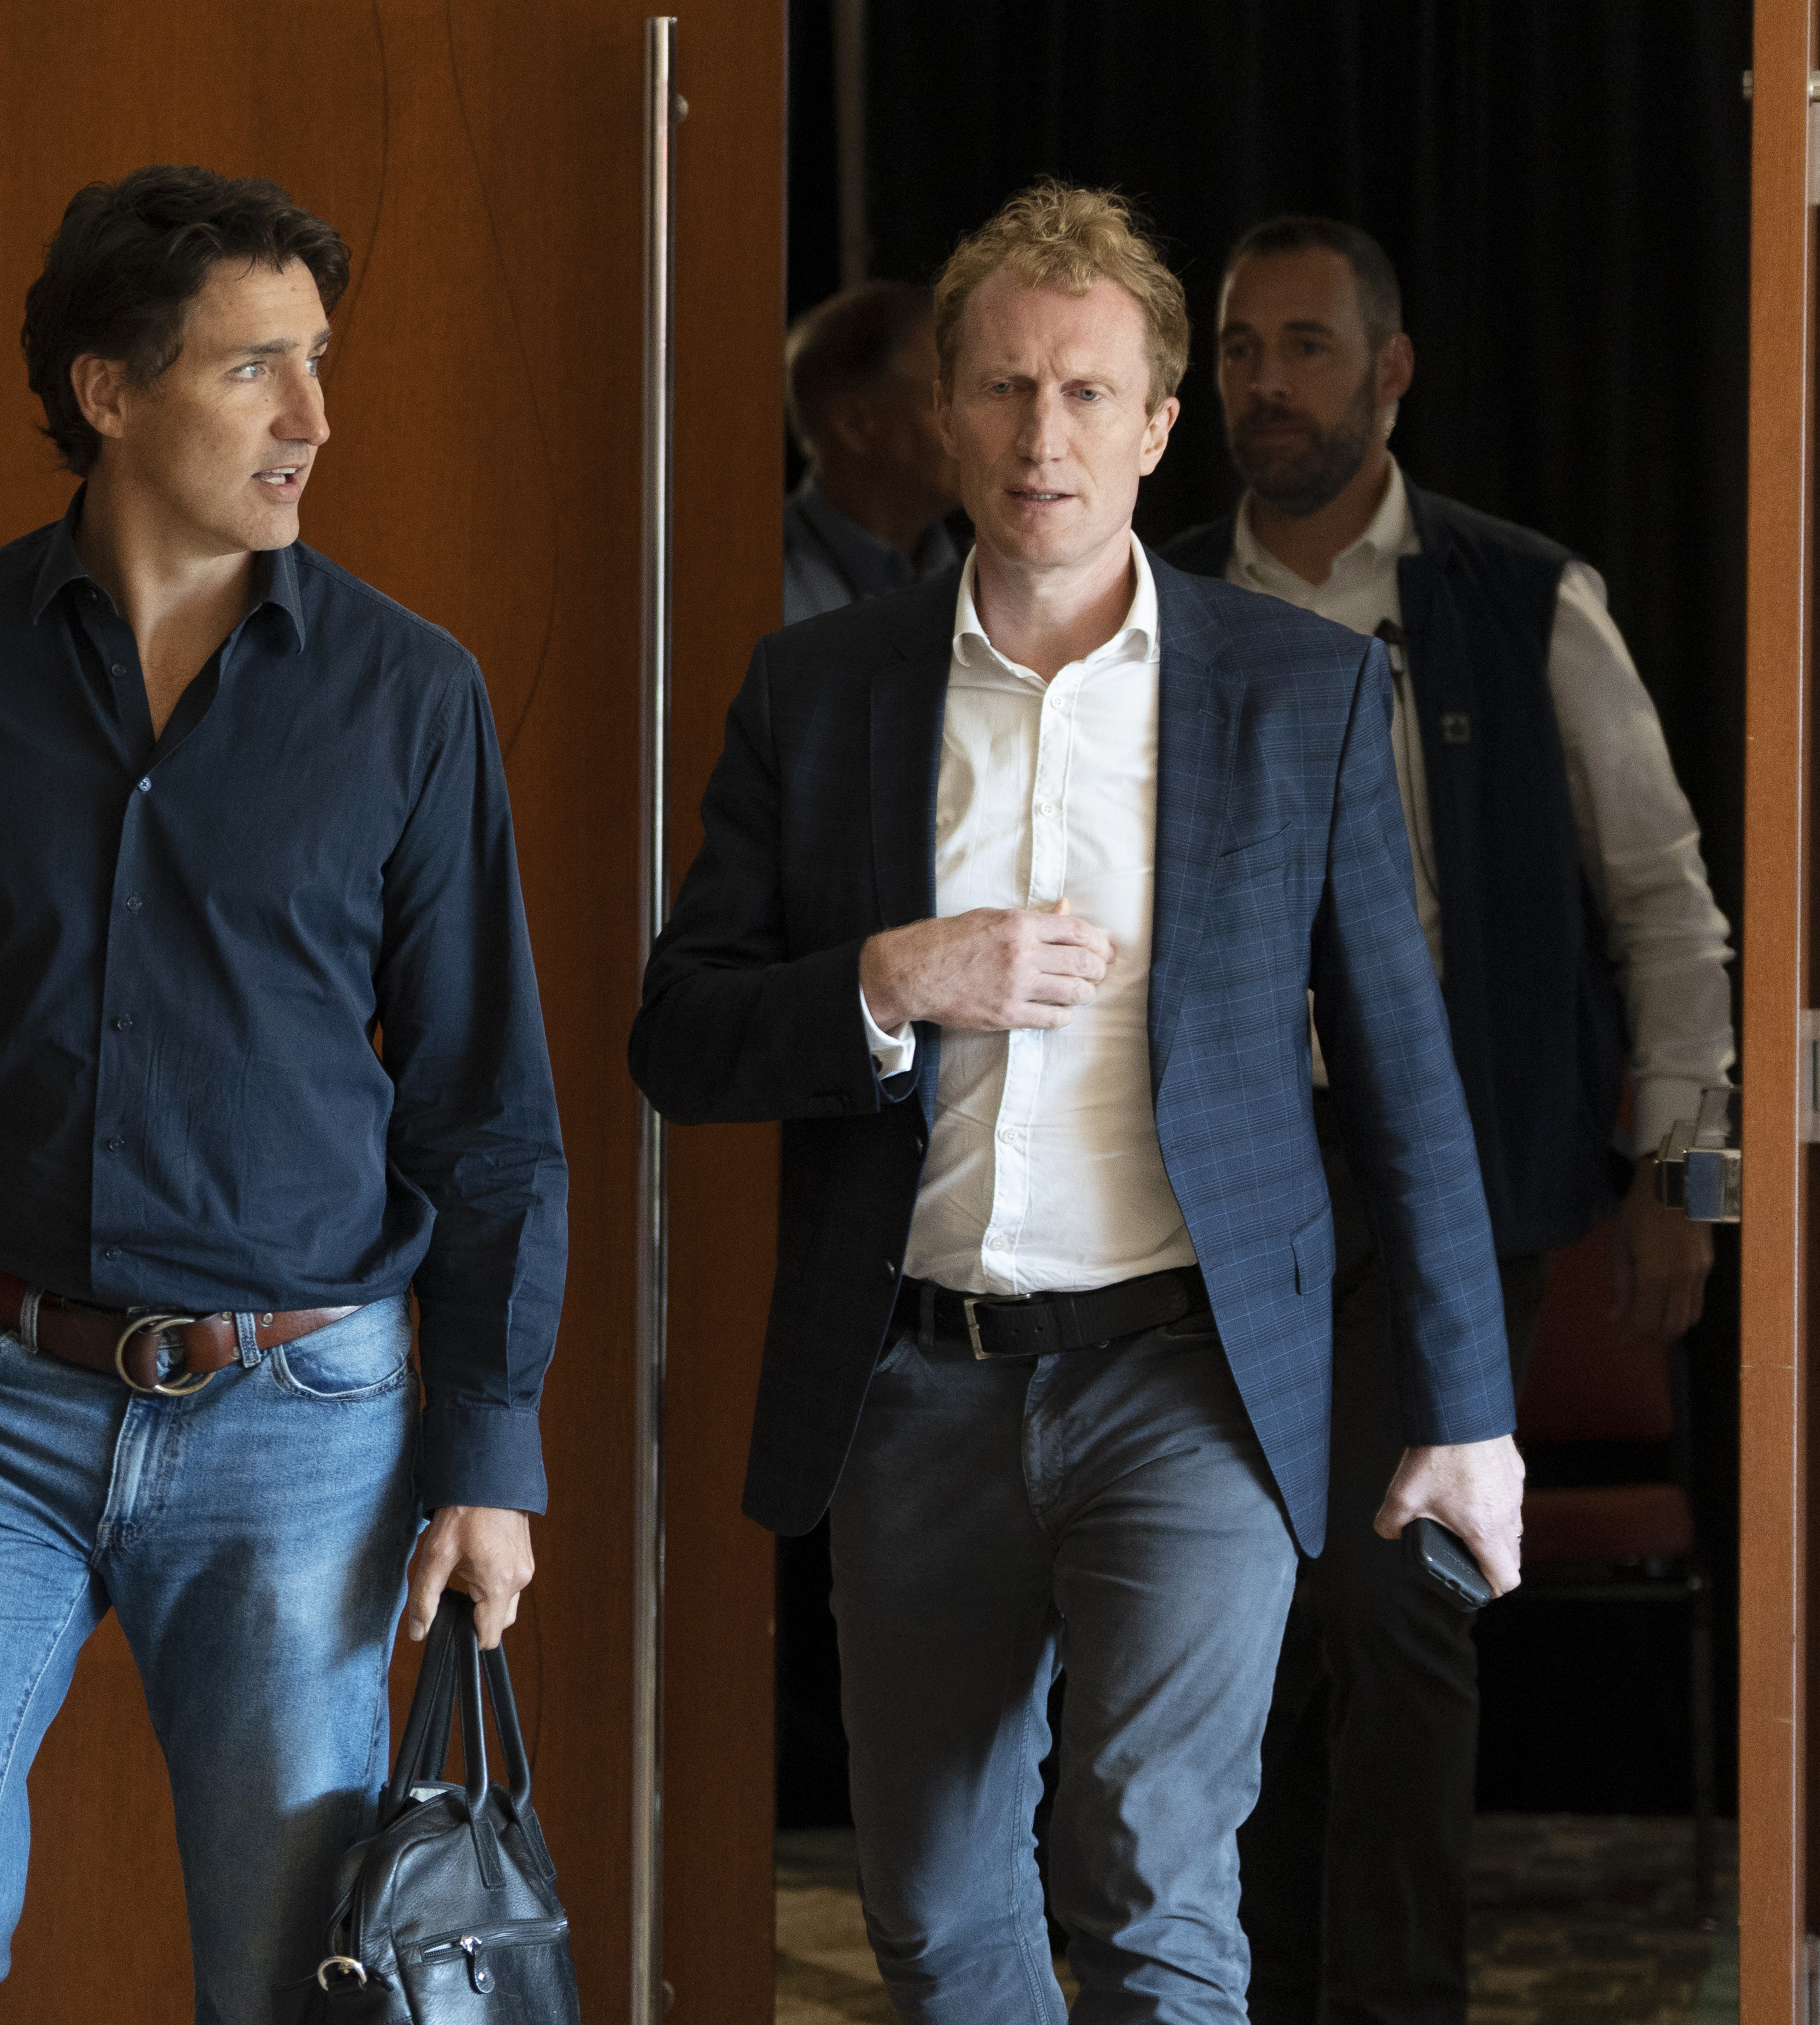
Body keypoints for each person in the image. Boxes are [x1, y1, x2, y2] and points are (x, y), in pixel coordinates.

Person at [0, 166, 567, 2025]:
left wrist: (486, 1457)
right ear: (107, 392)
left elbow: (482, 1106)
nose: (314, 418)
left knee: (291, 1982)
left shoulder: (409, 698)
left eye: (316, 364)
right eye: (257, 370)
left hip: (301, 1430)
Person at [630, 180, 1524, 2025]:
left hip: (1189, 1378)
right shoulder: (817, 693)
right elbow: (678, 1034)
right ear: (946, 412)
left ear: (1155, 423)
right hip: (911, 1386)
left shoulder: (1298, 692)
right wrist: (886, 980)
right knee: (937, 1915)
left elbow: (1401, 1071)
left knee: (1144, 1874)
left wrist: (1468, 1411)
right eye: (1004, 391)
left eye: (1086, 395)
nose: (1043, 436)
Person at [1162, 214, 1735, 2025]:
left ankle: (1388, 2001)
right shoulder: (1145, 601)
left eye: (1306, 348)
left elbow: (1652, 894)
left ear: (1388, 371)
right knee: (1238, 1623)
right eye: (1242, 349)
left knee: (1400, 1612)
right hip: (1204, 1193)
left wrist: (1679, 1169)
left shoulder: (1517, 595)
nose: (1268, 383)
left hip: (1449, 1181)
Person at [785, 278, 963, 622]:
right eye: (944, 401)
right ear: (855, 422)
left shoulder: (982, 578)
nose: (974, 426)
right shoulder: (757, 589)